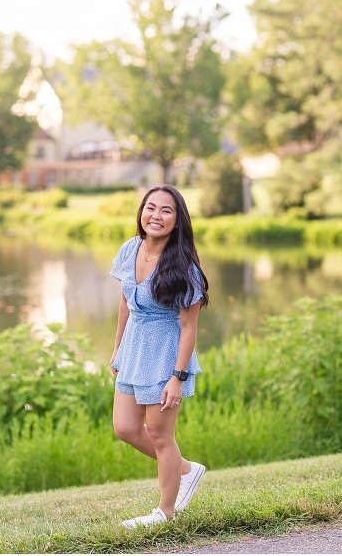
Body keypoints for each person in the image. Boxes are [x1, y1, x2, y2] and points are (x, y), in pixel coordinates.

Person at [109, 185, 210, 530]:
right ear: (141, 212)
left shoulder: (185, 269)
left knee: (160, 435)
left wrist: (177, 377)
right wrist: (117, 347)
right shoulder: (129, 250)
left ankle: (164, 513)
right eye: (150, 208)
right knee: (124, 427)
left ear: (178, 221)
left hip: (166, 353)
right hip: (134, 348)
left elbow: (188, 327)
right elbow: (125, 301)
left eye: (166, 211)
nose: (156, 216)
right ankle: (185, 469)